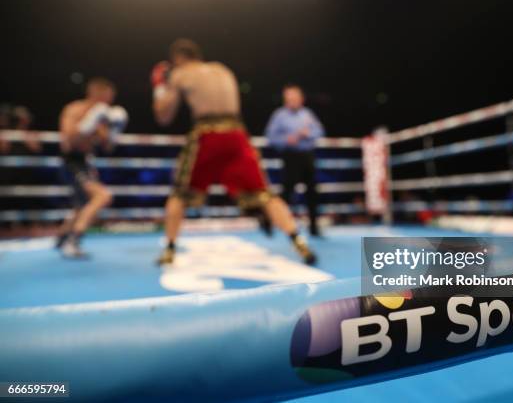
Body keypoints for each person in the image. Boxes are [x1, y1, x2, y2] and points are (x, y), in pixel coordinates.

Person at [151, 38, 316, 265]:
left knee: (179, 193)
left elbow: (164, 117)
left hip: (206, 135)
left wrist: (160, 86)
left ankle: (169, 249)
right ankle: (300, 243)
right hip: (237, 135)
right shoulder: (222, 70)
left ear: (177, 59)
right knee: (265, 194)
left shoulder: (181, 73)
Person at [56, 77, 128, 258]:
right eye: (106, 98)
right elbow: (69, 141)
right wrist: (89, 123)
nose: (109, 102)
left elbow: (108, 147)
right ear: (95, 94)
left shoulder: (104, 116)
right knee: (102, 196)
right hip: (72, 161)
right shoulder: (74, 110)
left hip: (86, 162)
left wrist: (114, 130)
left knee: (82, 206)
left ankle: (62, 238)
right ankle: (74, 240)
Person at [265, 84, 324, 236]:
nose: (292, 100)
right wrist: (286, 140)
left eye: (295, 97)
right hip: (290, 156)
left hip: (307, 156)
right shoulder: (279, 115)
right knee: (286, 194)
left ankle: (314, 227)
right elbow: (271, 136)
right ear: (285, 99)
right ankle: (277, 224)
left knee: (312, 192)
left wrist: (307, 134)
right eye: (289, 98)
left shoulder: (307, 114)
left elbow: (319, 131)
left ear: (301, 99)